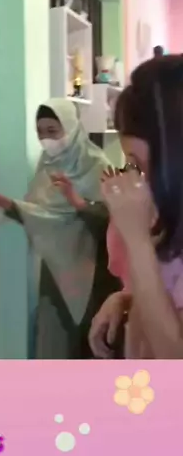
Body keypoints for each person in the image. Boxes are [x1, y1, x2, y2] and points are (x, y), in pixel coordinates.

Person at [0, 98, 118, 359]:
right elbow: (41, 214)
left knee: (89, 341)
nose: (46, 139)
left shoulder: (97, 164)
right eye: (40, 132)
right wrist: (4, 202)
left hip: (92, 270)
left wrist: (80, 204)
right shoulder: (48, 163)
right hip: (56, 267)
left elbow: (113, 219)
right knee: (55, 338)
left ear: (71, 127)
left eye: (52, 131)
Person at [90, 55, 183, 359]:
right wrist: (127, 299)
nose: (134, 179)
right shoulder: (169, 220)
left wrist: (137, 241)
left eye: (138, 166)